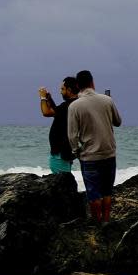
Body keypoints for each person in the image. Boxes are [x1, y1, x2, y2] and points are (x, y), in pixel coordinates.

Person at [67, 70, 122, 224]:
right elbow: (118, 122)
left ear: (78, 86)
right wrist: (108, 106)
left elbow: (72, 135)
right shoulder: (107, 100)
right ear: (92, 83)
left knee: (93, 193)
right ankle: (106, 221)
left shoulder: (75, 106)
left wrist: (76, 151)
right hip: (109, 153)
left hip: (89, 155)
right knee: (107, 191)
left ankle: (96, 223)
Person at [38, 77, 79, 174]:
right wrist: (50, 100)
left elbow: (46, 112)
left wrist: (43, 98)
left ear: (69, 90)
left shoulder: (68, 105)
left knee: (61, 182)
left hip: (61, 153)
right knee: (64, 180)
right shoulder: (74, 104)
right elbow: (57, 113)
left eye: (62, 89)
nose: (60, 92)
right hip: (65, 151)